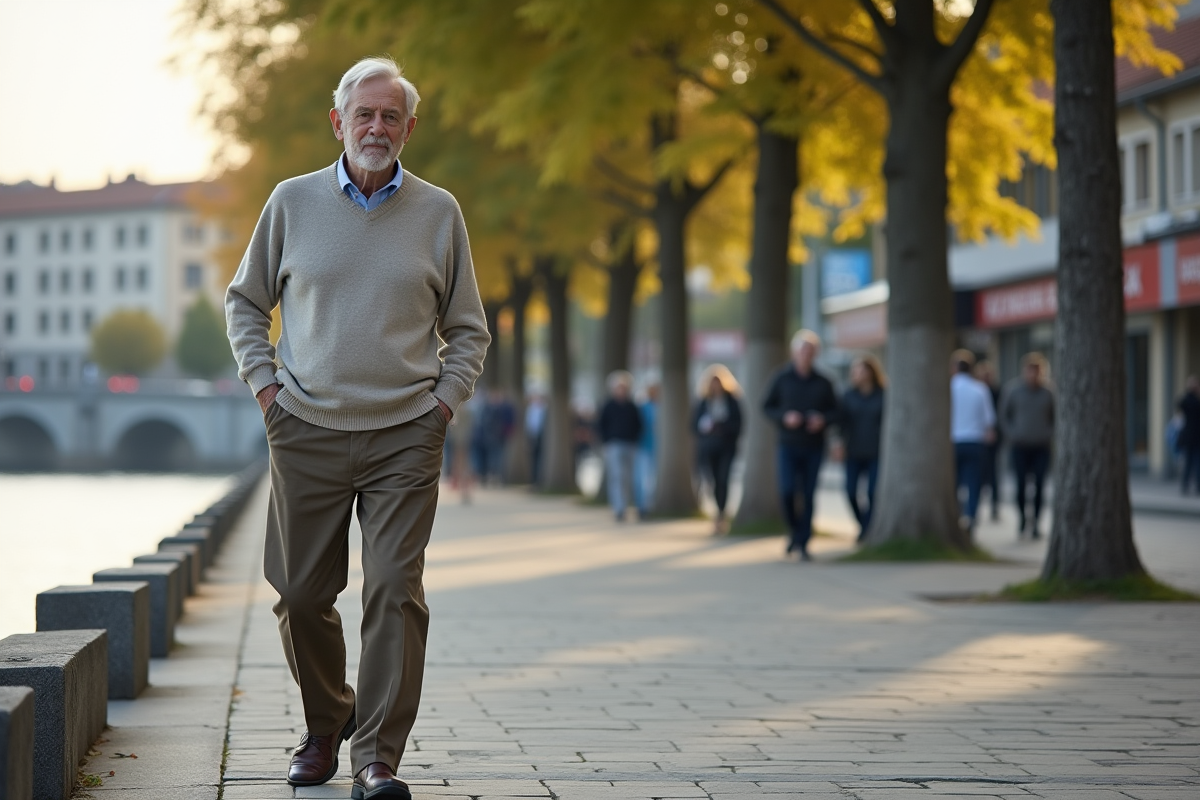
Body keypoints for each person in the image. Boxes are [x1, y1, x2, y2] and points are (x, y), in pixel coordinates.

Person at [225, 57, 490, 800]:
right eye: (364, 114)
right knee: (299, 592)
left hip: (406, 431)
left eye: (390, 116)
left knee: (396, 590)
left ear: (409, 127)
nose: (377, 127)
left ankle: (377, 757)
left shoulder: (439, 213)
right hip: (303, 424)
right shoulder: (290, 202)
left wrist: (442, 404)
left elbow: (468, 329)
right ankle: (327, 721)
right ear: (338, 122)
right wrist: (267, 389)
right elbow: (245, 301)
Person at [763, 330, 839, 561]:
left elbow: (837, 411)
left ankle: (804, 542)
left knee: (808, 494)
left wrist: (823, 420)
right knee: (787, 491)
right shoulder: (781, 378)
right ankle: (794, 532)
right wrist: (784, 417)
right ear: (794, 352)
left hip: (814, 446)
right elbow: (767, 406)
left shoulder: (824, 382)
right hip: (788, 445)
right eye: (803, 351)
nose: (806, 355)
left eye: (810, 351)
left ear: (815, 354)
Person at [1001, 353, 1055, 539]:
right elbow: (1004, 416)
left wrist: (1049, 433)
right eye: (1029, 371)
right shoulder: (1013, 391)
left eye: (1036, 371)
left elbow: (1056, 417)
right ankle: (1023, 518)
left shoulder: (1048, 393)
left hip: (1042, 446)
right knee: (1021, 485)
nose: (1033, 375)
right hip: (1020, 446)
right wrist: (1012, 434)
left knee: (1040, 485)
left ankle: (1037, 522)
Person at [840, 354, 886, 543]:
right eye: (855, 371)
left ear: (871, 372)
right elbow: (841, 423)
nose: (857, 374)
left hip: (877, 452)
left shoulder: (883, 395)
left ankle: (867, 530)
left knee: (872, 493)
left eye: (861, 370)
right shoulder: (848, 396)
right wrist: (837, 443)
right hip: (853, 451)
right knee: (850, 491)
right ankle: (864, 525)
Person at [950, 350, 996, 533]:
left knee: (954, 483)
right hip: (975, 441)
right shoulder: (980, 389)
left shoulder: (948, 388)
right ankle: (971, 516)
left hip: (953, 441)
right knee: (974, 482)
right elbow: (989, 419)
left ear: (954, 368)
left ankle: (956, 515)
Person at [693, 365, 743, 534]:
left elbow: (739, 424)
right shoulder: (704, 402)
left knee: (724, 479)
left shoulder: (731, 401)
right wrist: (705, 427)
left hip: (726, 447)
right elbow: (693, 425)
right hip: (709, 448)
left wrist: (722, 427)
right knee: (713, 481)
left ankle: (721, 514)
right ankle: (718, 512)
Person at [597, 371, 643, 521]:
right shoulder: (608, 405)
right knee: (616, 476)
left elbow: (638, 425)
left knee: (628, 477)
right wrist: (606, 441)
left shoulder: (632, 406)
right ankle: (618, 508)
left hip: (630, 444)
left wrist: (635, 439)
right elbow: (601, 425)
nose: (621, 390)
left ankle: (627, 505)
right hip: (613, 444)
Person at [974, 359, 1003, 521]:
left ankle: (994, 506)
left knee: (993, 474)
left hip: (992, 441)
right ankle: (975, 507)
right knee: (978, 475)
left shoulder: (997, 392)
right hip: (978, 439)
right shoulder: (977, 391)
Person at [635, 382, 660, 517]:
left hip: (658, 448)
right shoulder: (643, 407)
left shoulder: (662, 407)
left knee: (653, 480)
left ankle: (650, 506)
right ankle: (643, 507)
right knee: (643, 479)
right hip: (644, 447)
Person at [1178, 375, 1200, 495]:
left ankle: (1185, 485)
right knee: (1196, 463)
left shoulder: (1186, 401)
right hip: (1195, 437)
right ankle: (1196, 486)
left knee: (1189, 463)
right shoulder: (1195, 402)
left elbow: (1180, 404)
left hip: (1190, 437)